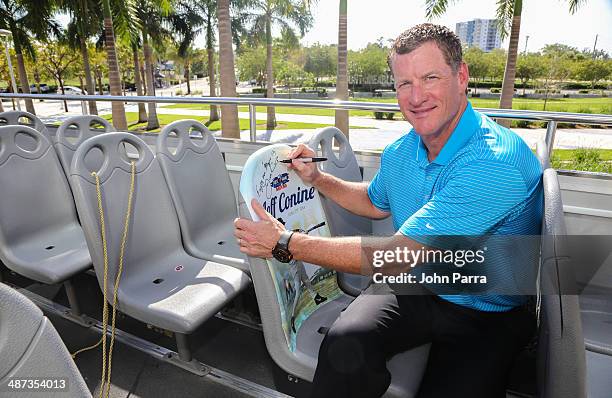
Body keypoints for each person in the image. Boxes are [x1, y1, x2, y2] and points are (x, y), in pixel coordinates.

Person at [234, 23, 542, 398]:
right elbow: (374, 202)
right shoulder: (402, 151)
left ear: (461, 77)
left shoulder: (495, 162)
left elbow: (398, 256)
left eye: (430, 77)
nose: (417, 96)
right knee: (345, 345)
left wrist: (284, 242)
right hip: (423, 284)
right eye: (404, 84)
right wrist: (317, 178)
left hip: (488, 310)